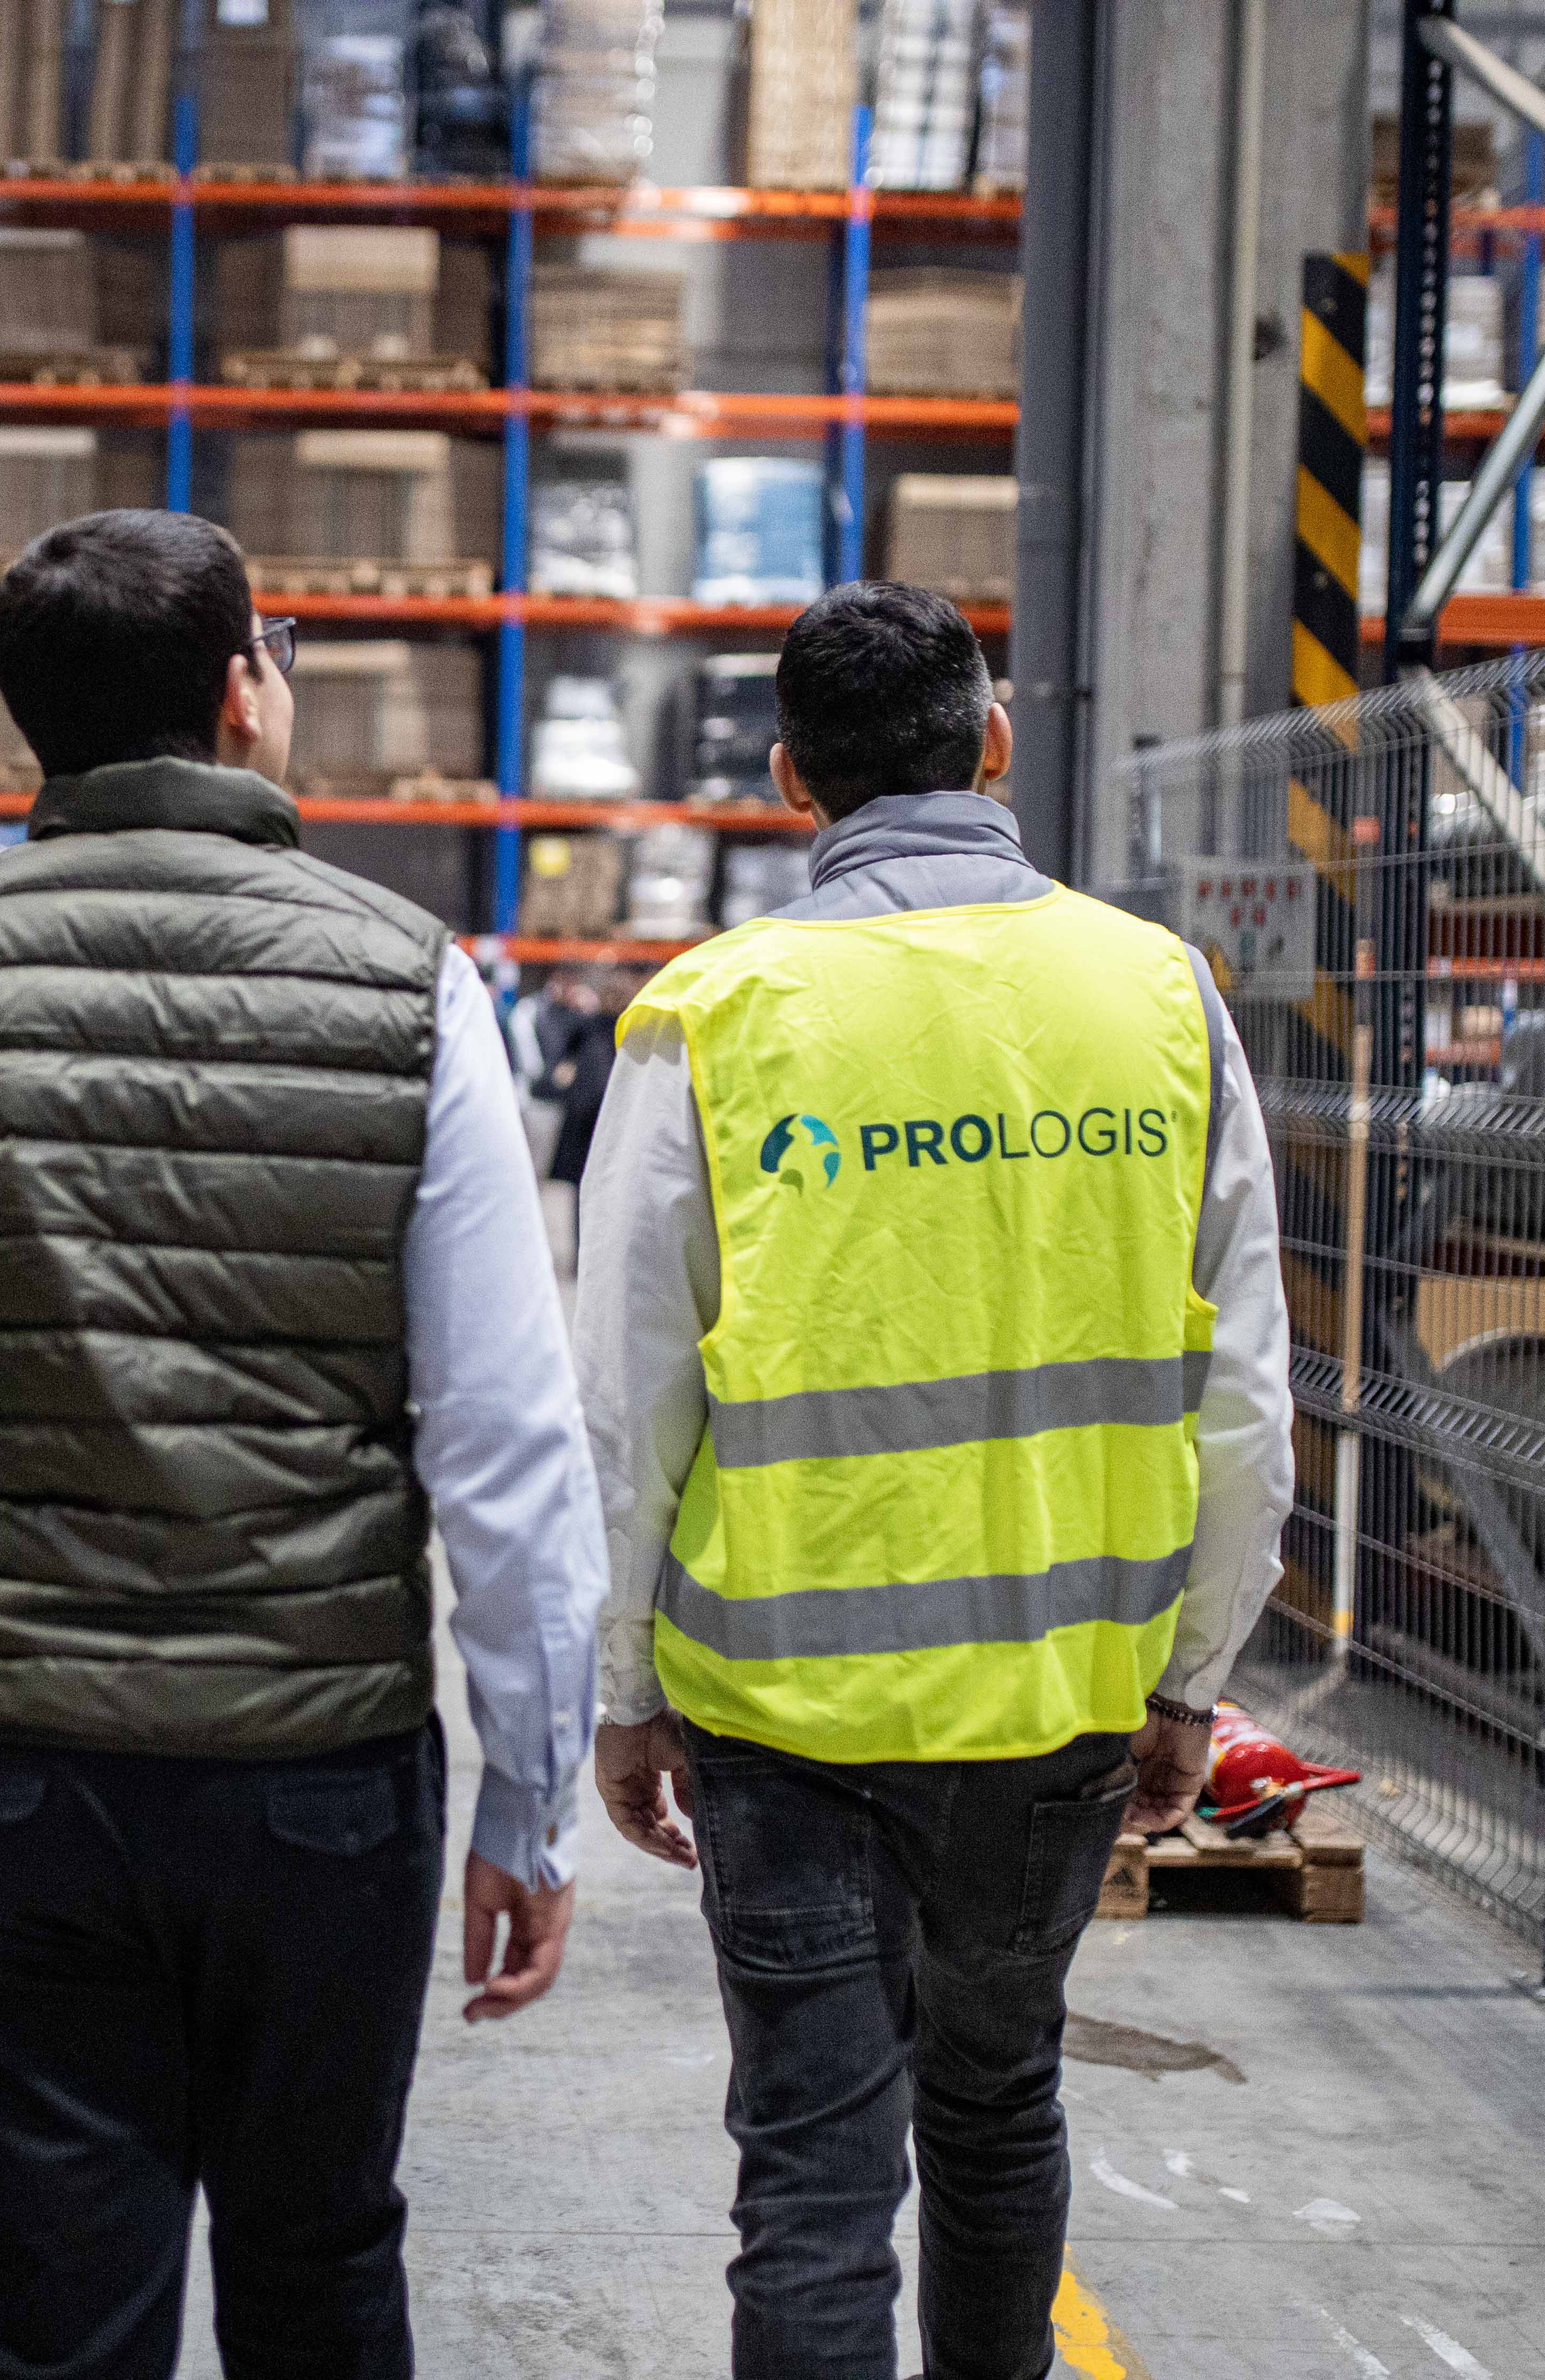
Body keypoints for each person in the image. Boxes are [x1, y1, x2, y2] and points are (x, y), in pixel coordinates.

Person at [0, 507, 608, 2380]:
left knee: (56, 2316)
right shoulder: (410, 979)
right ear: (241, 693)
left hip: (1, 1778)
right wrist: (528, 1793)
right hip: (315, 1782)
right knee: (315, 2276)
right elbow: (509, 1442)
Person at [573, 583, 1294, 2380]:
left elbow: (624, 1402)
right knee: (998, 2108)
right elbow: (1251, 1406)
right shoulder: (1162, 997)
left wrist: (620, 1687)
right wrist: (1194, 1683)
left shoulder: (711, 1016)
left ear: (788, 777)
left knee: (816, 2171)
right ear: (992, 740)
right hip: (1060, 1709)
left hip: (784, 1714)